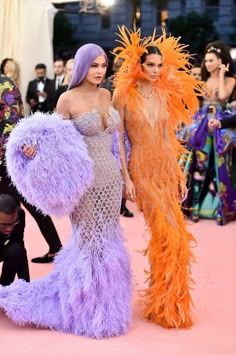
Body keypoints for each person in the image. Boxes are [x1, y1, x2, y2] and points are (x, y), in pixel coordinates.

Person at [0, 43, 131, 338]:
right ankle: (83, 308)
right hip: (83, 183)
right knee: (87, 241)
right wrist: (34, 151)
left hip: (111, 179)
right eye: (94, 65)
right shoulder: (66, 100)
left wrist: (127, 177)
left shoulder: (107, 94)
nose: (100, 71)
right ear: (83, 66)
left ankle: (107, 307)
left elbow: (116, 140)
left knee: (108, 239)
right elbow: (54, 143)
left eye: (103, 65)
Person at [113, 26, 200, 328]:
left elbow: (167, 137)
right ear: (139, 64)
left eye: (158, 65)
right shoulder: (124, 95)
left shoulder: (163, 95)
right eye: (149, 64)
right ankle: (164, 303)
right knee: (168, 234)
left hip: (165, 167)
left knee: (175, 233)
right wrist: (126, 178)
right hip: (141, 169)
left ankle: (165, 301)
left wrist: (179, 175)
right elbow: (118, 141)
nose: (154, 70)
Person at [0, 73, 62, 263]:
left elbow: (11, 124)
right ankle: (53, 248)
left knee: (16, 206)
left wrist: (3, 158)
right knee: (27, 204)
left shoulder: (4, 84)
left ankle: (15, 254)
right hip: (11, 158)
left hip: (9, 159)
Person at [183, 41, 236, 224]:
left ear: (220, 61)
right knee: (200, 165)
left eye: (211, 60)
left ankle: (220, 210)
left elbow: (222, 97)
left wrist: (221, 74)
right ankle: (196, 207)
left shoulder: (230, 79)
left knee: (218, 166)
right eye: (206, 60)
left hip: (220, 126)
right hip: (203, 125)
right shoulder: (204, 80)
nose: (207, 64)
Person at [101, 57, 134, 218]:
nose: (126, 71)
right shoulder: (108, 83)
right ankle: (114, 203)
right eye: (124, 68)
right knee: (116, 166)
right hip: (112, 128)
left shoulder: (131, 85)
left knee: (125, 165)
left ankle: (123, 204)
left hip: (127, 130)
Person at [0, 194, 30, 286]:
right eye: (5, 225)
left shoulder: (20, 215)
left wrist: (25, 285)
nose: (10, 229)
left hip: (3, 244)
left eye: (14, 223)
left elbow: (20, 246)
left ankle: (5, 288)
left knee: (16, 250)